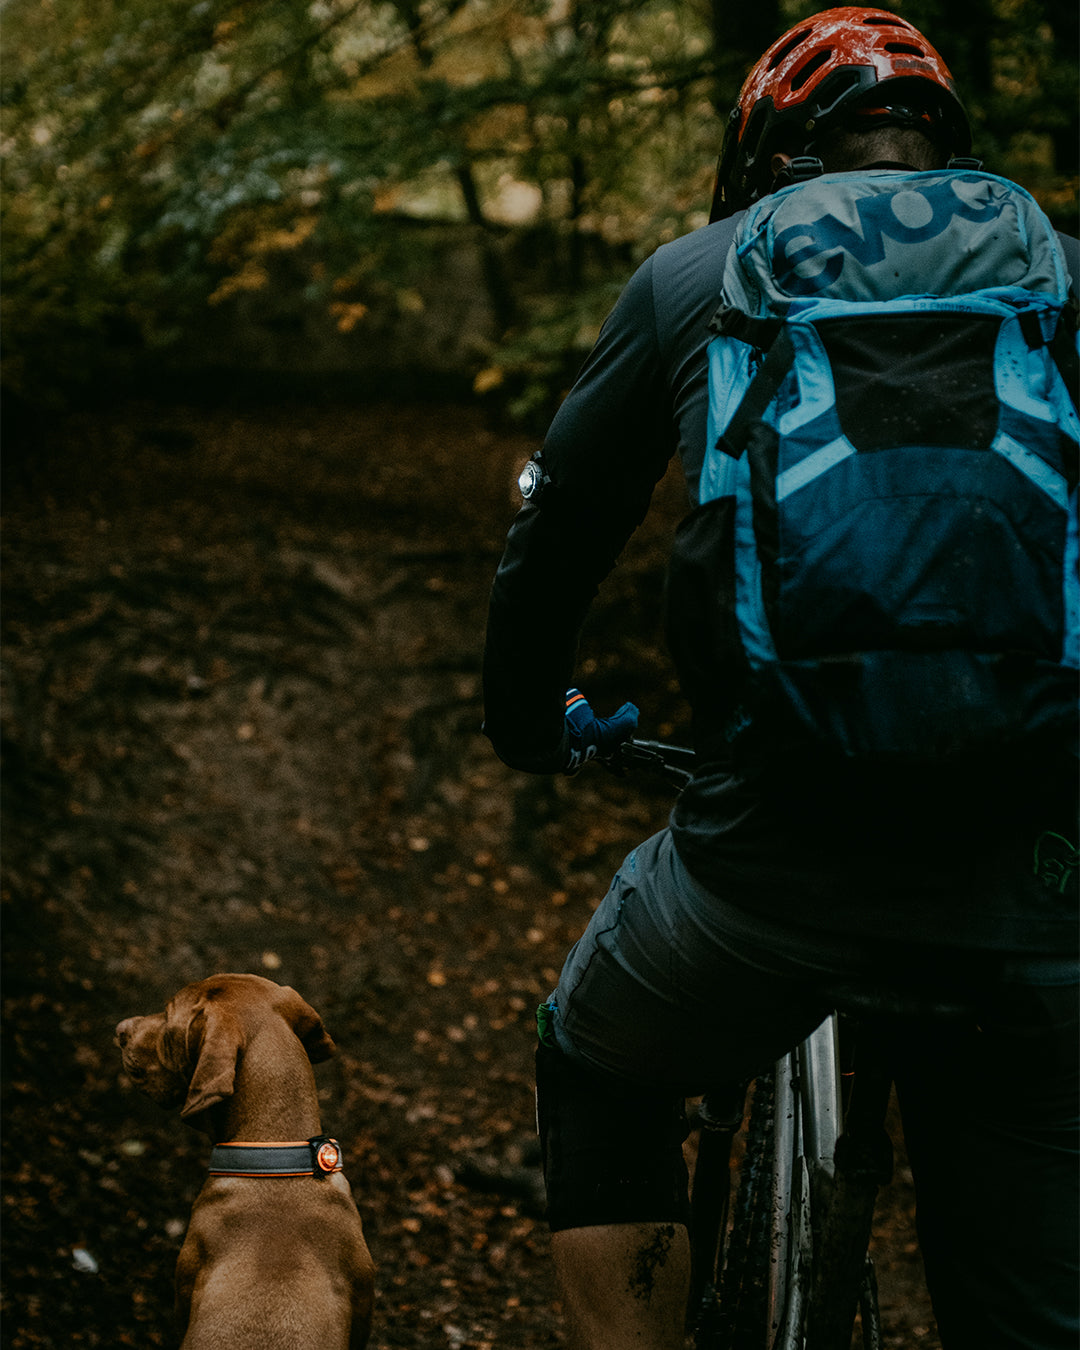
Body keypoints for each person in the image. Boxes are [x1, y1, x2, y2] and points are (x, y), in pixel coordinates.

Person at [483, 9, 1079, 1350]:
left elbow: (557, 534)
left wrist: (526, 722)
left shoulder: (696, 277)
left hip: (770, 865)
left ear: (764, 155)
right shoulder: (1062, 277)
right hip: (1035, 879)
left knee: (598, 1057)